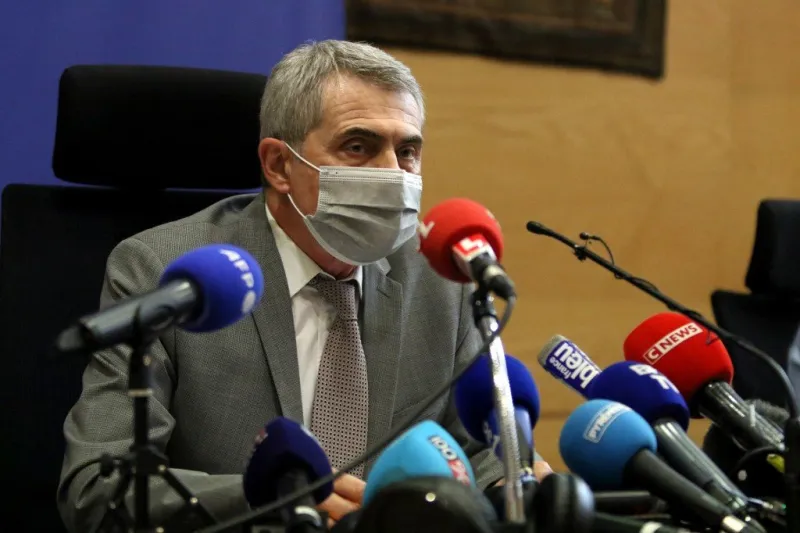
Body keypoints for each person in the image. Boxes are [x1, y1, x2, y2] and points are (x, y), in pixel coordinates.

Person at [57, 39, 552, 532]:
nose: (392, 175)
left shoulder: (443, 280)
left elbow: (472, 451)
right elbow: (98, 489)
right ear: (278, 165)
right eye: (358, 147)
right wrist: (278, 498)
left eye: (407, 152)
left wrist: (516, 486)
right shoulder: (167, 271)